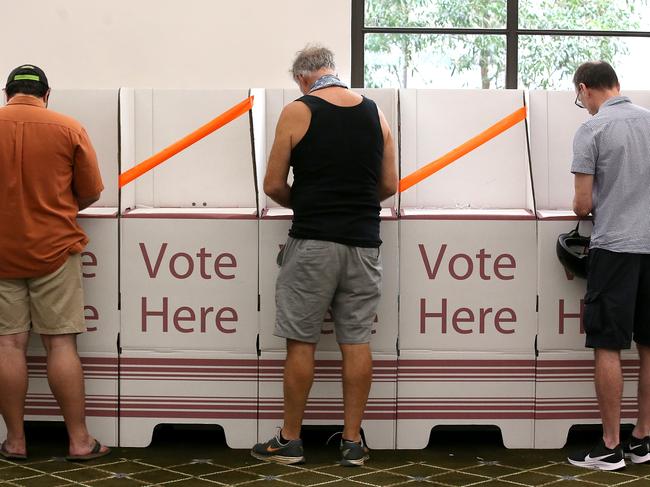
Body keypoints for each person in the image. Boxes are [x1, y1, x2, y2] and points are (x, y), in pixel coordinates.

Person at [251, 45, 397, 466]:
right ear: (333, 71)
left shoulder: (299, 110)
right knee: (357, 341)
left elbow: (273, 184)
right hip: (364, 243)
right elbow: (387, 184)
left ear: (302, 78)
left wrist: (310, 203)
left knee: (301, 341)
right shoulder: (376, 113)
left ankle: (290, 440)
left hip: (314, 241)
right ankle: (352, 442)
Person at [0, 65, 110, 461]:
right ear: (47, 94)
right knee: (60, 342)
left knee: (8, 344)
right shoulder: (68, 128)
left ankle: (15, 441)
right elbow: (92, 192)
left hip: (1, 254)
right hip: (54, 251)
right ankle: (80, 441)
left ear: (7, 92)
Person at [568, 61, 650, 470]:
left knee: (608, 343)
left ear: (585, 89)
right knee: (649, 344)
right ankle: (643, 439)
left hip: (616, 248)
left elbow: (583, 204)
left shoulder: (592, 129)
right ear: (616, 84)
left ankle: (610, 445)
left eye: (579, 98)